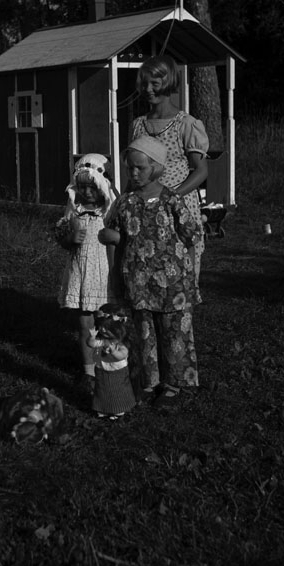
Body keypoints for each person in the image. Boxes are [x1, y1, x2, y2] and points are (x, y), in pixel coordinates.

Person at [100, 136, 202, 406]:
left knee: (174, 333)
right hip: (138, 282)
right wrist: (115, 275)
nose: (133, 173)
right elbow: (115, 239)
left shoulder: (171, 200)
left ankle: (174, 384)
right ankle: (150, 380)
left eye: (140, 168)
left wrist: (191, 278)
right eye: (130, 167)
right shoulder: (125, 203)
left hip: (173, 284)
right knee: (144, 333)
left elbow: (191, 238)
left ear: (156, 168)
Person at [131, 54, 209, 287]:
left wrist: (171, 196)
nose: (148, 89)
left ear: (168, 83)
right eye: (145, 83)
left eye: (154, 83)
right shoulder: (138, 125)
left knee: (181, 271)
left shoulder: (186, 124)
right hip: (146, 207)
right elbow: (134, 169)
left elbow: (201, 171)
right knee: (148, 266)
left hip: (178, 207)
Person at [55, 153, 117, 390]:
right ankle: (88, 372)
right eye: (82, 187)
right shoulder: (74, 209)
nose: (88, 192)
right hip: (81, 275)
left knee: (107, 324)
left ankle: (110, 366)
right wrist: (70, 238)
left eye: (93, 187)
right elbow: (61, 239)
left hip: (104, 277)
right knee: (85, 326)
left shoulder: (109, 211)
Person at [87, 303, 136, 420]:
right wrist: (92, 337)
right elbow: (91, 344)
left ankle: (119, 409)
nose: (103, 330)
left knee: (118, 391)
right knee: (102, 390)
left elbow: (122, 355)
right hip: (101, 370)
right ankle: (103, 408)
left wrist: (114, 351)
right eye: (101, 326)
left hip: (117, 372)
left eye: (107, 327)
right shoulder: (102, 340)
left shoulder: (120, 343)